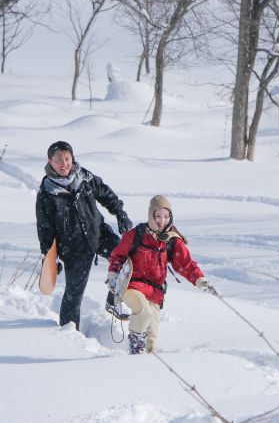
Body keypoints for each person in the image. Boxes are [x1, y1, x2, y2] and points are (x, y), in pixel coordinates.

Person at [36, 140, 132, 330]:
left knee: (126, 261)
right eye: (58, 160)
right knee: (74, 294)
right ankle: (69, 333)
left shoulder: (84, 177)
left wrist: (120, 214)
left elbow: (106, 194)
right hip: (73, 248)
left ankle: (113, 301)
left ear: (72, 158)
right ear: (50, 162)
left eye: (67, 158)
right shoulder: (47, 193)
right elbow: (45, 228)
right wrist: (49, 257)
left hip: (99, 233)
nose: (64, 164)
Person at [106, 195, 220, 354]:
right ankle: (135, 351)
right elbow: (117, 256)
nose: (162, 220)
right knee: (143, 314)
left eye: (166, 216)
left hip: (155, 291)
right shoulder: (136, 234)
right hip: (132, 286)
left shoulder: (173, 240)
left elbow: (186, 264)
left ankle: (148, 364)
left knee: (152, 337)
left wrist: (200, 280)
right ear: (151, 215)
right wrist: (112, 275)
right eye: (158, 216)